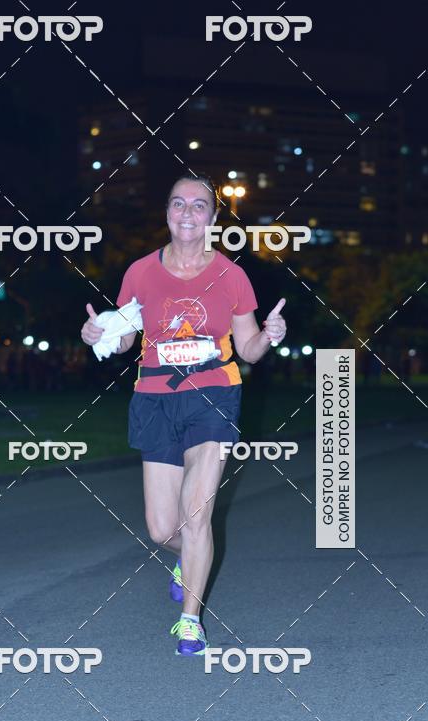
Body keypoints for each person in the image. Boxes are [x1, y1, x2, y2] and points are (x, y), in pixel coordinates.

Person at [81, 173, 286, 656]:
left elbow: (250, 349)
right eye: (178, 204)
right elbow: (127, 337)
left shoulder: (232, 275)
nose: (187, 213)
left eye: (198, 205)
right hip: (154, 397)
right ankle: (186, 562)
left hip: (213, 394)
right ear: (167, 214)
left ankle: (189, 621)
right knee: (161, 529)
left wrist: (271, 334)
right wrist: (100, 335)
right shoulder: (140, 272)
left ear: (214, 217)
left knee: (197, 516)